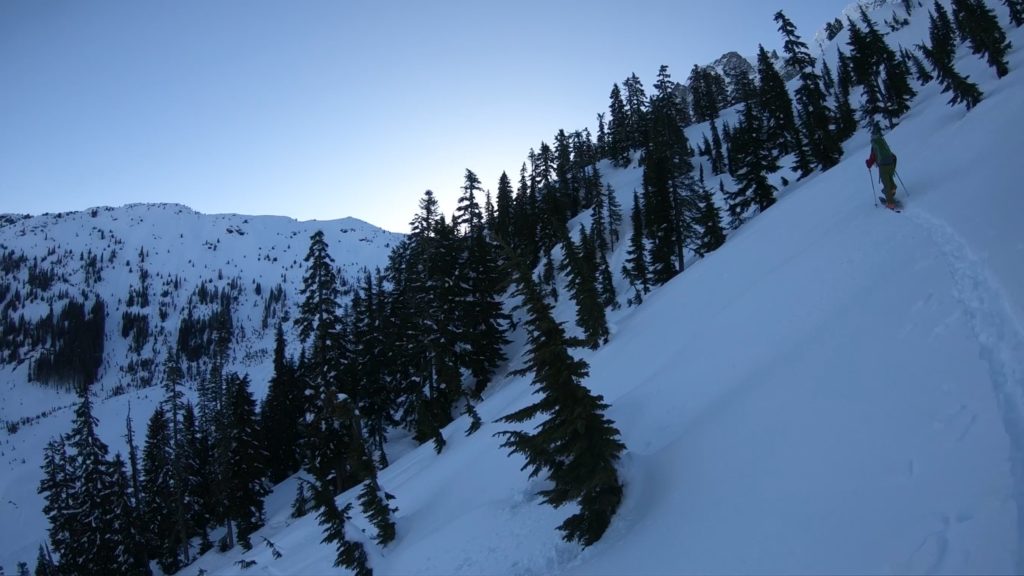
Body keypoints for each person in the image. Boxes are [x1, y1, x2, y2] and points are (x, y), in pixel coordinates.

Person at [865, 125, 899, 208]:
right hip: (891, 163)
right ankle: (893, 189)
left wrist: (868, 163)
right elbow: (893, 155)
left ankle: (890, 203)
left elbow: (872, 159)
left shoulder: (874, 146)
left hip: (883, 166)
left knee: (886, 183)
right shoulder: (883, 142)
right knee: (890, 179)